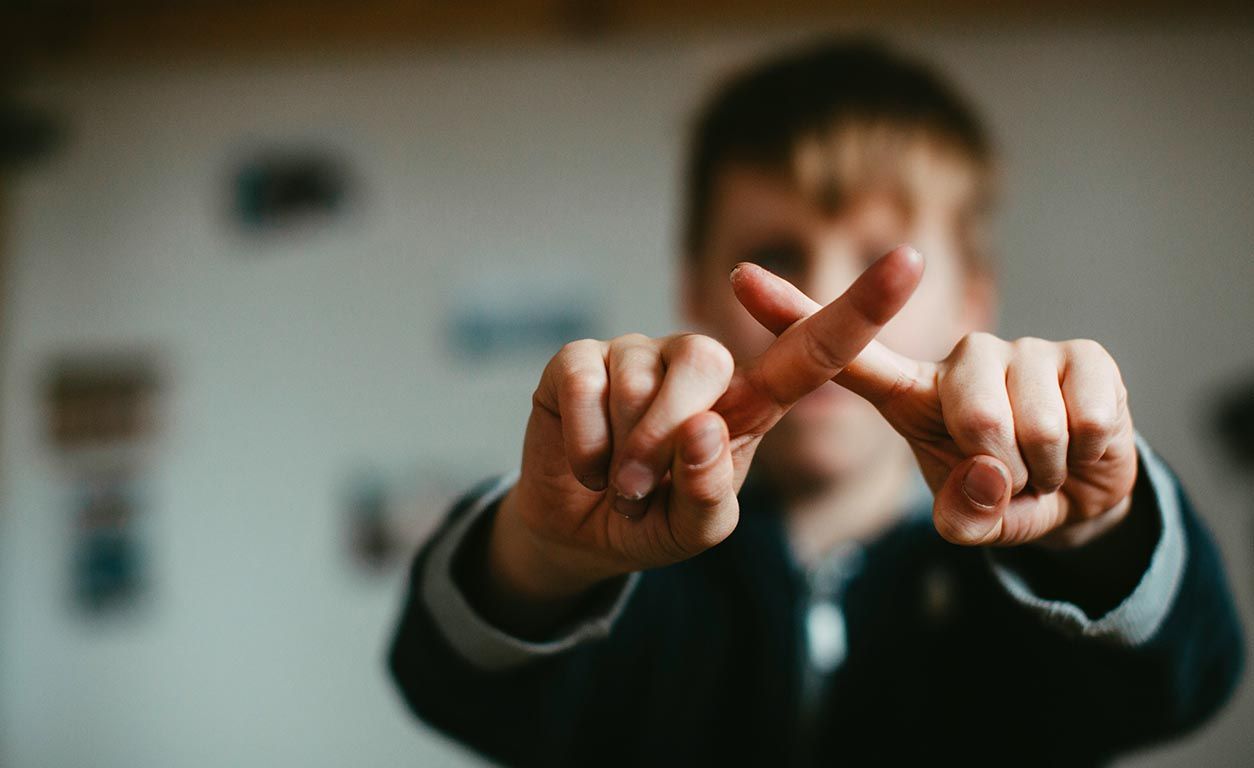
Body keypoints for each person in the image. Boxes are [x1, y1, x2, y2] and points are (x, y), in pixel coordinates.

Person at [387, 38, 1245, 767]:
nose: (828, 309)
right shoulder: (627, 570)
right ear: (695, 288)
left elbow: (1185, 682)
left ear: (976, 301)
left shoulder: (1022, 591)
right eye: (775, 252)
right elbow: (445, 682)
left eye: (882, 262)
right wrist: (543, 557)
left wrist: (1098, 532)